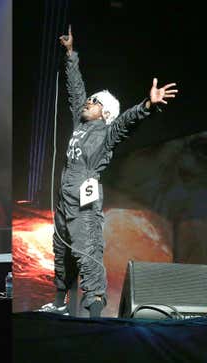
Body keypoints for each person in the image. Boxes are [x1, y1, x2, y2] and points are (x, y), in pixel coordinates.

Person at [39, 26, 178, 317]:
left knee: (87, 250)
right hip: (65, 197)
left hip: (84, 200)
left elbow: (127, 121)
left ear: (105, 112)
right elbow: (76, 88)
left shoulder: (107, 132)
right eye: (90, 100)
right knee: (62, 250)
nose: (88, 102)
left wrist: (147, 105)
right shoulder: (81, 124)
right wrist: (70, 54)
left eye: (95, 101)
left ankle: (95, 316)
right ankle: (60, 302)